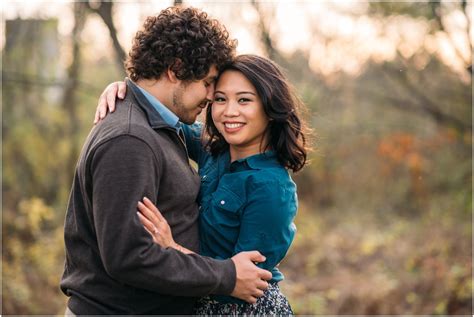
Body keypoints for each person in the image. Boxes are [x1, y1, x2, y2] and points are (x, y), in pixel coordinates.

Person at [60, 7, 272, 315]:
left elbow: (235, 143)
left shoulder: (160, 126)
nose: (212, 95)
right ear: (175, 69)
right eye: (208, 82)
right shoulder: (130, 139)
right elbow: (129, 257)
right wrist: (226, 275)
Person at [96, 54, 309, 314]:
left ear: (269, 107)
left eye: (244, 100)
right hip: (194, 301)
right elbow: (161, 113)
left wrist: (172, 249)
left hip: (240, 309)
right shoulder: (216, 149)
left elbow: (245, 279)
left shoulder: (272, 188)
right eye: (220, 99)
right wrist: (127, 90)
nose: (229, 111)